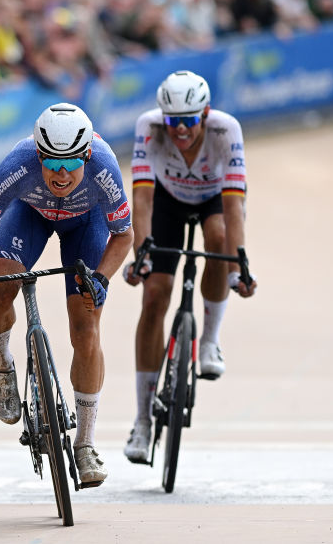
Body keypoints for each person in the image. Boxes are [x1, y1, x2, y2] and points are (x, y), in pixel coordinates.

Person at [0, 103, 133, 487]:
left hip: (85, 225)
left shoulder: (104, 168)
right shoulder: (16, 165)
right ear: (38, 154)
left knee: (86, 327)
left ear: (87, 154)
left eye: (71, 163)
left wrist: (101, 278)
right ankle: (2, 362)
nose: (60, 173)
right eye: (51, 162)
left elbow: (124, 235)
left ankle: (85, 443)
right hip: (29, 215)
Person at [122, 70, 257, 464]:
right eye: (172, 119)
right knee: (155, 298)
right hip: (167, 201)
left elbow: (234, 207)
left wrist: (240, 266)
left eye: (189, 120)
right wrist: (142, 254)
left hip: (215, 199)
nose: (179, 129)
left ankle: (210, 340)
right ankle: (143, 422)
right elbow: (142, 200)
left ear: (206, 113)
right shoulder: (148, 127)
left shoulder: (225, 130)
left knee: (218, 240)